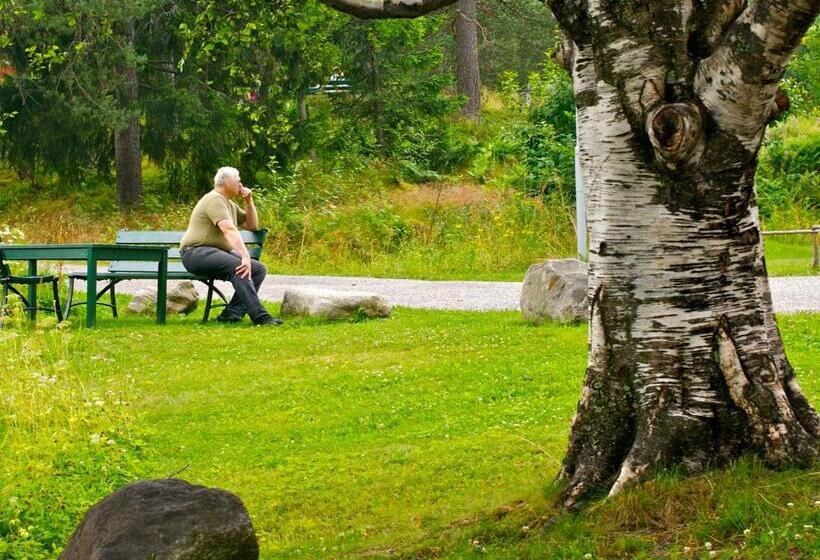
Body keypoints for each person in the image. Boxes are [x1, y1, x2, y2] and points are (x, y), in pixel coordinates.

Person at [180, 166, 282, 326]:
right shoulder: (214, 199)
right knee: (240, 267)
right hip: (196, 253)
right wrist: (245, 256)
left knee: (258, 269)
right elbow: (228, 228)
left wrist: (249, 201)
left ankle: (232, 313)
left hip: (215, 253)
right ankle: (261, 317)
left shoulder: (229, 204)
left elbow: (252, 225)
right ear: (225, 182)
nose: (241, 183)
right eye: (237, 179)